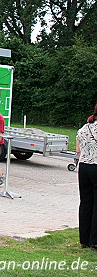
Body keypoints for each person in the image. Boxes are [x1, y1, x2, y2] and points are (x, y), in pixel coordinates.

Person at [77, 103, 97, 249]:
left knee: (86, 203)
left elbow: (78, 149)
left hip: (84, 166)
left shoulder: (85, 127)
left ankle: (84, 239)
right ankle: (94, 241)